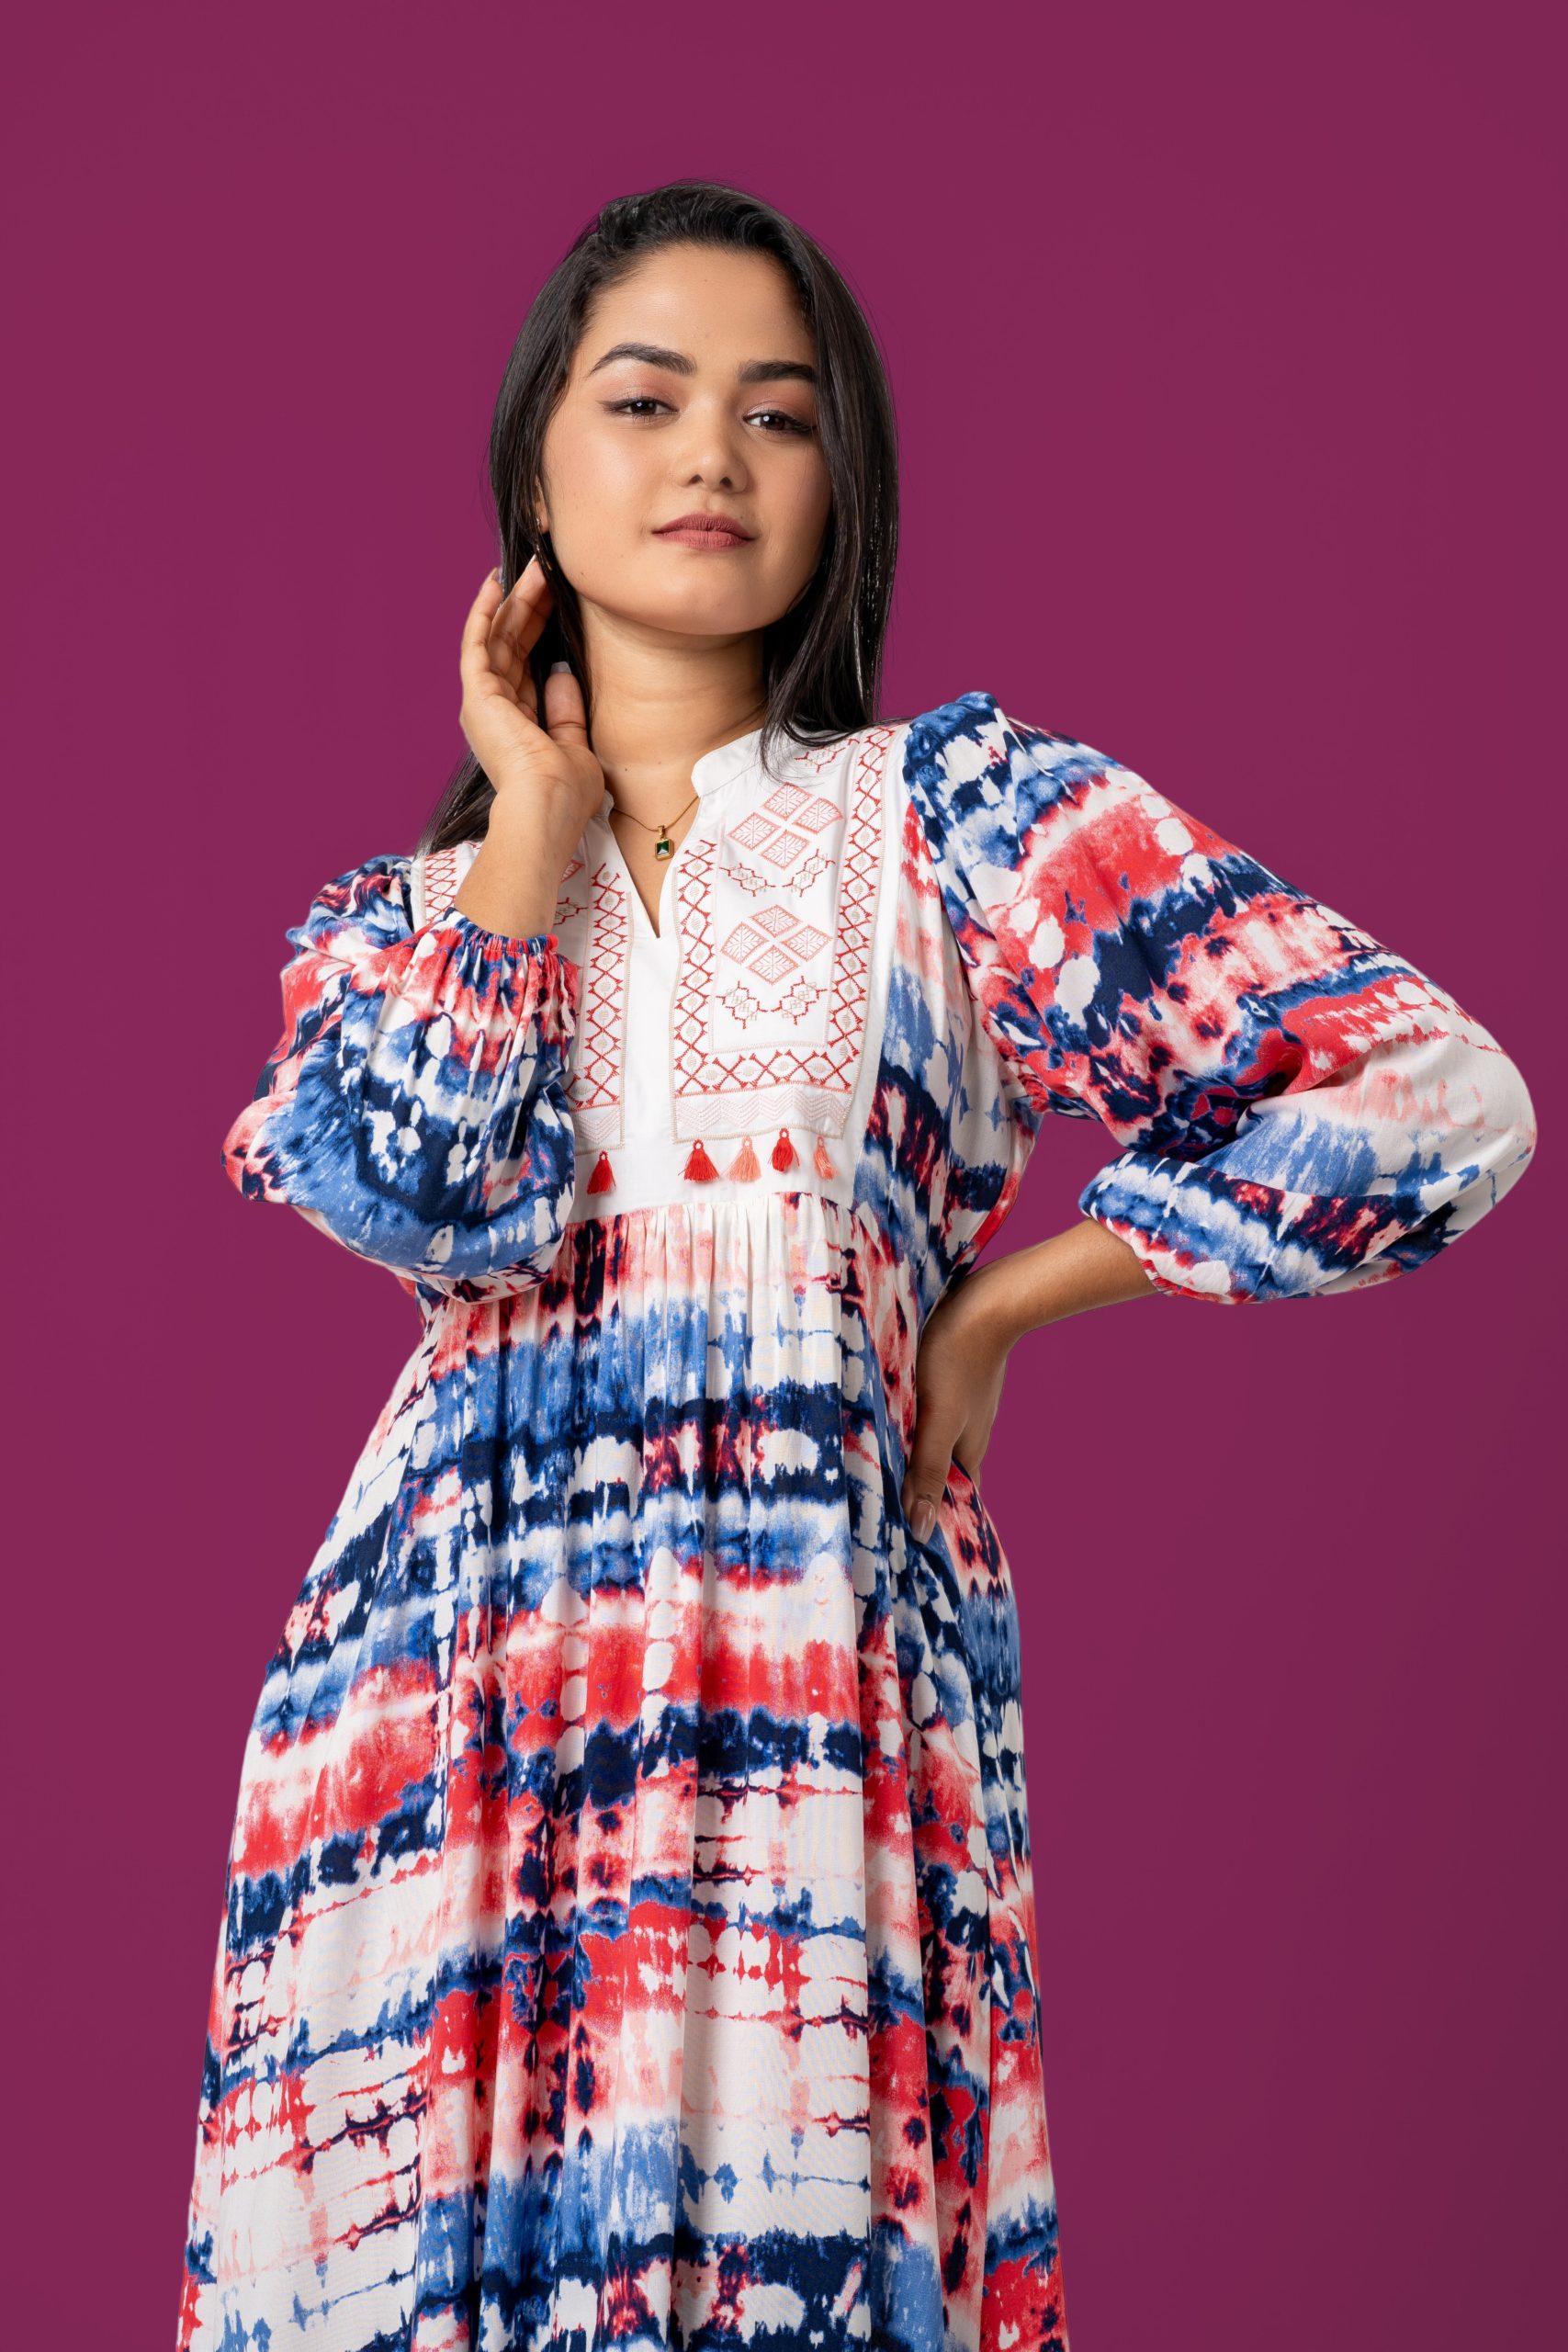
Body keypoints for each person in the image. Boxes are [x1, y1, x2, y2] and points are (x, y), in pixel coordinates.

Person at [176, 179, 1537, 2352]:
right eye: (645, 399)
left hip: (810, 1714)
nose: (712, 453)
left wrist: (1001, 1298)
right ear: (535, 467)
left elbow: (1426, 1097)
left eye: (779, 412)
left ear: (841, 487)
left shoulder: (952, 821)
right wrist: (525, 829)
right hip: (439, 1742)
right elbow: (426, 1198)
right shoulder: (391, 928)